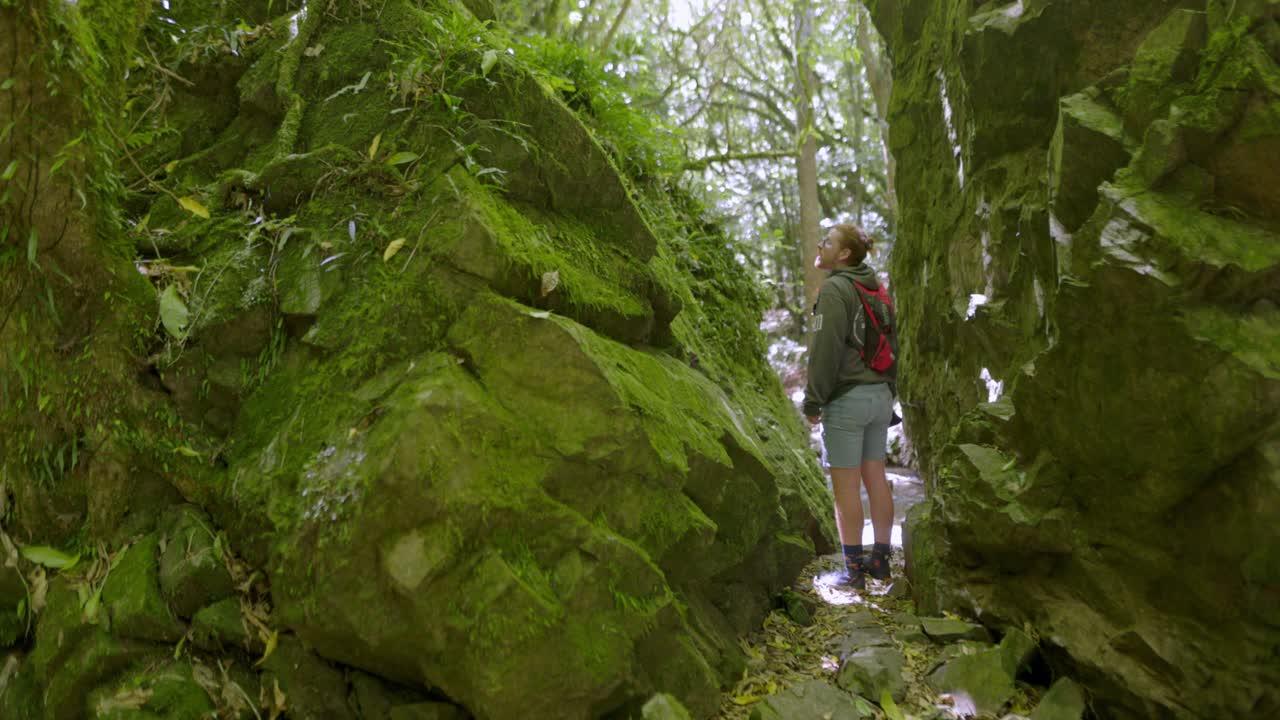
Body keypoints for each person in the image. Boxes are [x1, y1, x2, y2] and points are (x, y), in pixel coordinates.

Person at [803, 223, 896, 589]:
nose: (820, 244)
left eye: (826, 242)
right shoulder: (875, 287)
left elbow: (825, 351)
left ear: (843, 254)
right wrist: (891, 391)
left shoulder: (835, 289)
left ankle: (853, 572)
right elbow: (894, 342)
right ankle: (881, 563)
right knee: (876, 479)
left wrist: (814, 400)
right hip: (880, 396)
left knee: (845, 488)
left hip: (848, 400)